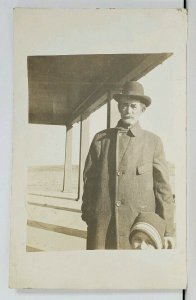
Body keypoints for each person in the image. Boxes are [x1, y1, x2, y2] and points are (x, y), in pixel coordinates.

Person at [81, 81, 175, 250]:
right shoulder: (101, 140)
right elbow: (89, 181)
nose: (128, 110)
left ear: (142, 109)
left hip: (139, 230)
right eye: (124, 105)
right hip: (103, 227)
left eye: (133, 106)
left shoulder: (153, 142)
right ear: (119, 108)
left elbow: (163, 190)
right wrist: (90, 216)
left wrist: (168, 231)